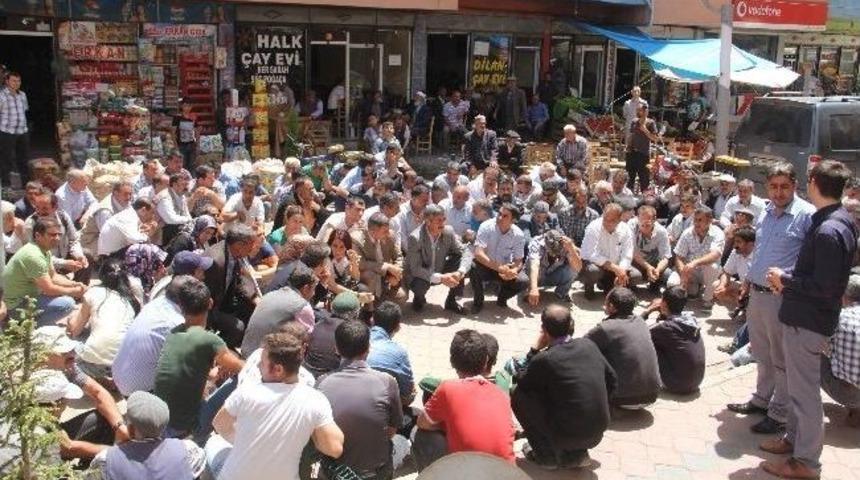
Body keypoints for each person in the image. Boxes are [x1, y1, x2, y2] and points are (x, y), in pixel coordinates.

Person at [760, 160, 857, 479]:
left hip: (808, 322)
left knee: (804, 395)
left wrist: (785, 280)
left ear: (813, 182)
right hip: (803, 316)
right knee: (800, 389)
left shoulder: (830, 229)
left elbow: (825, 287)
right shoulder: (834, 221)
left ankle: (806, 462)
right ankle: (794, 441)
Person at [727, 163, 815, 436]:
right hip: (757, 294)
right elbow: (760, 250)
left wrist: (787, 280)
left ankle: (778, 414)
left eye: (784, 187)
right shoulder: (765, 211)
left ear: (794, 186)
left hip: (781, 298)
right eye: (774, 187)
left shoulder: (806, 215)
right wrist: (748, 280)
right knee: (762, 353)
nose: (778, 192)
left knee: (781, 359)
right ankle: (761, 400)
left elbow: (808, 259)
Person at [206, 331, 344, 480]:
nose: (258, 366)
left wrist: (248, 443)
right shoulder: (315, 400)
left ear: (278, 369)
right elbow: (334, 448)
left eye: (263, 362)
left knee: (212, 442)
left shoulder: (246, 392)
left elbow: (219, 424)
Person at [512, 304, 616, 470]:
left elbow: (522, 380)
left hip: (566, 433)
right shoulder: (589, 345)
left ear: (543, 330)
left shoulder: (545, 359)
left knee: (517, 394)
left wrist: (533, 351)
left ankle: (545, 455)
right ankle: (577, 453)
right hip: (597, 431)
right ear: (570, 326)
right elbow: (612, 380)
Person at [153, 278, 244, 438]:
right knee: (240, 379)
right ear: (210, 303)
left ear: (181, 307)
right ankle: (201, 439)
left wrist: (215, 371)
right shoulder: (209, 340)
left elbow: (184, 370)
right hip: (184, 427)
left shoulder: (174, 333)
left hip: (160, 419)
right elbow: (243, 368)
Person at [414, 329, 515, 469]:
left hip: (472, 473)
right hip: (509, 474)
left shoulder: (447, 388)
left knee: (420, 435)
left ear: (452, 362)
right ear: (486, 361)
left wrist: (448, 426)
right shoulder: (501, 395)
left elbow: (422, 423)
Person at [317, 320, 402, 479]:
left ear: (336, 348)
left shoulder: (322, 383)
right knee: (401, 443)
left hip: (333, 473)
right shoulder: (387, 382)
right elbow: (391, 430)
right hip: (374, 473)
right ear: (368, 348)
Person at [89, 391, 205, 480]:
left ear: (130, 428)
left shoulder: (107, 460)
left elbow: (90, 476)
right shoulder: (188, 450)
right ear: (164, 426)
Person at [65, 258, 140, 381]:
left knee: (74, 342)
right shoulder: (132, 300)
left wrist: (71, 320)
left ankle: (92, 376)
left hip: (94, 362)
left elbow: (75, 330)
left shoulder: (93, 292)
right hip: (124, 365)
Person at [585, 287, 660, 409]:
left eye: (606, 302)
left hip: (622, 398)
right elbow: (639, 318)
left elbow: (582, 345)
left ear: (611, 306)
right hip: (651, 395)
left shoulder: (606, 328)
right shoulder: (640, 322)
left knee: (589, 356)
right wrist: (649, 310)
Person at [3, 217, 85, 327]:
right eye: (52, 235)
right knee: (67, 304)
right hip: (15, 305)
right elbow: (49, 289)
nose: (57, 238)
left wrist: (75, 284)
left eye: (59, 234)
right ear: (38, 236)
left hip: (27, 297)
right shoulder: (33, 255)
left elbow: (54, 276)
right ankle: (26, 327)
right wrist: (74, 291)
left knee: (64, 292)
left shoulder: (43, 250)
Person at [405, 204, 472, 313]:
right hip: (421, 273)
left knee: (463, 263)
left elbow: (465, 251)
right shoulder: (415, 238)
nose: (442, 223)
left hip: (440, 267)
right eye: (438, 220)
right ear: (428, 222)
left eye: (444, 219)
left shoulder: (448, 232)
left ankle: (451, 301)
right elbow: (415, 269)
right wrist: (442, 278)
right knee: (419, 285)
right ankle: (418, 298)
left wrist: (460, 272)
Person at [203, 223, 260, 349]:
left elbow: (239, 279)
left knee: (251, 309)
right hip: (208, 309)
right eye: (250, 246)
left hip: (224, 299)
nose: (252, 250)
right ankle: (215, 352)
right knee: (237, 327)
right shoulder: (216, 262)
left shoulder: (234, 253)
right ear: (239, 245)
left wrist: (254, 298)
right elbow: (204, 297)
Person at [240, 263, 316, 356]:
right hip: (266, 359)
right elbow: (308, 339)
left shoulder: (270, 295)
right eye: (313, 289)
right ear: (306, 288)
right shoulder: (302, 306)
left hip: (246, 351)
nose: (314, 293)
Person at [645, 286, 706, 394]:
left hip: (677, 384)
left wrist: (648, 310)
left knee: (646, 344)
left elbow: (637, 333)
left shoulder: (666, 327)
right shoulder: (691, 321)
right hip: (696, 382)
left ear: (663, 304)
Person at [23, 190, 92, 284]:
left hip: (63, 257)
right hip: (45, 264)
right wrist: (63, 263)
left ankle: (79, 291)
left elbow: (74, 239)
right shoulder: (30, 224)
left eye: (45, 209)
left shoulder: (63, 217)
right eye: (37, 208)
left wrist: (78, 255)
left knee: (86, 254)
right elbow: (36, 256)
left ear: (55, 207)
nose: (39, 212)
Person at [470, 203, 528, 312]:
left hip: (506, 269)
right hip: (487, 265)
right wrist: (499, 267)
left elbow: (518, 260)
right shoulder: (486, 226)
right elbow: (478, 253)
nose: (500, 217)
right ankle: (478, 301)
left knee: (523, 281)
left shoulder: (518, 235)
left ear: (513, 220)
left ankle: (502, 298)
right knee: (473, 267)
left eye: (505, 216)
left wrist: (514, 271)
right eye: (499, 213)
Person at [667, 206, 725, 310]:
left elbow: (715, 255)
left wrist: (695, 263)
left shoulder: (718, 233)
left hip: (705, 272)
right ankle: (694, 288)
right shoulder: (687, 233)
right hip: (690, 271)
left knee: (713, 266)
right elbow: (679, 256)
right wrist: (683, 273)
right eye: (695, 219)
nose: (696, 223)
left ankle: (708, 298)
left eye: (700, 220)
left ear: (709, 221)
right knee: (672, 283)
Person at [821, 274, 860, 428]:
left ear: (844, 296)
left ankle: (856, 410)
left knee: (810, 355)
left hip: (851, 394)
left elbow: (826, 350)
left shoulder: (839, 319)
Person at [580, 203, 640, 299]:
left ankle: (611, 286)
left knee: (636, 276)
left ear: (620, 220)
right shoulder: (593, 227)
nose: (607, 222)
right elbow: (590, 254)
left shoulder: (626, 229)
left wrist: (622, 270)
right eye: (605, 219)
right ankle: (590, 287)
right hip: (598, 265)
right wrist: (615, 268)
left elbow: (627, 254)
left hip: (617, 266)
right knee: (593, 271)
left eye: (612, 220)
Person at [352, 212, 403, 302]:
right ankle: (369, 306)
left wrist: (397, 269)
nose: (388, 233)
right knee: (370, 275)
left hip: (384, 275)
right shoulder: (357, 239)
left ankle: (387, 300)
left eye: (388, 229)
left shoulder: (389, 235)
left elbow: (398, 256)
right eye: (384, 231)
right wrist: (387, 267)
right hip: (365, 277)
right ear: (372, 231)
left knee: (402, 296)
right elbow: (361, 264)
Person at [526, 229, 581, 306]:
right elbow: (534, 265)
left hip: (551, 274)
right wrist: (534, 288)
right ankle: (530, 289)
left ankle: (561, 293)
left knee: (572, 269)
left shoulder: (567, 244)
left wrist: (571, 249)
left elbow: (578, 268)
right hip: (536, 275)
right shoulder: (537, 242)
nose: (554, 254)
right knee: (531, 270)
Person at [630, 204, 672, 290]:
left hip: (654, 263)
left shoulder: (661, 232)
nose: (644, 226)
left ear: (654, 220)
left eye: (647, 224)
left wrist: (658, 270)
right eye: (642, 223)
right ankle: (631, 287)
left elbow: (665, 257)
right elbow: (632, 253)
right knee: (634, 276)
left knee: (668, 276)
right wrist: (648, 267)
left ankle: (655, 282)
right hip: (635, 262)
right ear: (637, 218)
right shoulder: (631, 226)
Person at [713, 226, 755, 307]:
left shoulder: (759, 257)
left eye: (739, 242)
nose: (734, 245)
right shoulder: (736, 252)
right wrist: (722, 286)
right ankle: (742, 308)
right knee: (717, 286)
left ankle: (748, 310)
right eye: (735, 242)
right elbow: (726, 273)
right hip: (743, 287)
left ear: (750, 244)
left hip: (756, 291)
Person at [0, 72, 30, 184]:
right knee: (6, 159)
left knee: (23, 159)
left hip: (22, 131)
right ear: (7, 81)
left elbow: (24, 111)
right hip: (7, 132)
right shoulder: (1, 95)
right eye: (13, 80)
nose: (16, 83)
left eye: (18, 81)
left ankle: (26, 184)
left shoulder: (22, 95)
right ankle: (6, 185)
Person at [626, 104, 658, 192]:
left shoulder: (650, 123)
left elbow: (654, 138)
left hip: (643, 153)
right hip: (632, 152)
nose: (638, 111)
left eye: (640, 110)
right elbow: (631, 135)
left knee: (644, 179)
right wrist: (628, 146)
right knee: (629, 177)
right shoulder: (634, 121)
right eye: (638, 110)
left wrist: (645, 130)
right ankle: (629, 196)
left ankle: (645, 197)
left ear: (645, 112)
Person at [174, 101, 198, 171]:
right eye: (185, 105)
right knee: (182, 165)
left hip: (191, 144)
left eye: (189, 106)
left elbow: (196, 131)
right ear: (182, 106)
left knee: (192, 165)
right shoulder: (177, 118)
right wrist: (176, 146)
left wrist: (197, 144)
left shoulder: (193, 117)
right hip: (181, 145)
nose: (187, 108)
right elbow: (173, 132)